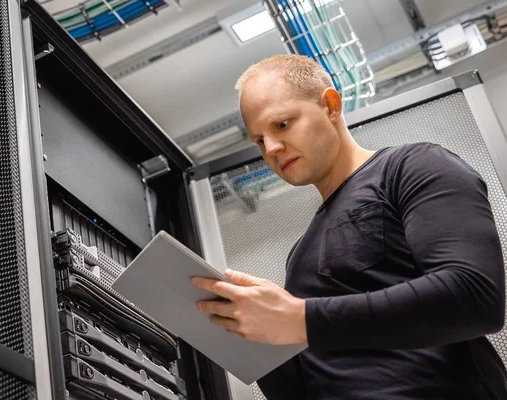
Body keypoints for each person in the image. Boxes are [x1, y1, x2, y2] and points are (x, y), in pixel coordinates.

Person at [191, 54, 507, 399]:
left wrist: (301, 318)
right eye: (259, 141)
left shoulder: (412, 167)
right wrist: (250, 333)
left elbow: (473, 295)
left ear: (330, 106)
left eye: (281, 125)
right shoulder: (299, 256)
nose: (272, 149)